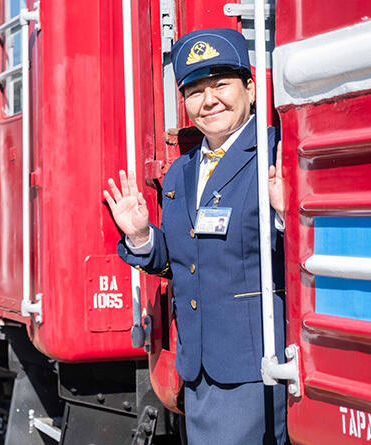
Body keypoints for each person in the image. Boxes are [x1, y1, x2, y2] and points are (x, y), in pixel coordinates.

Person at [103, 28, 286, 444]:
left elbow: (300, 255)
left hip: (254, 365)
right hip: (198, 367)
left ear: (251, 88)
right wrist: (142, 237)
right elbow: (185, 259)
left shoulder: (275, 154)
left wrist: (283, 216)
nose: (209, 101)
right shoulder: (181, 172)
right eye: (195, 90)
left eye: (221, 84)